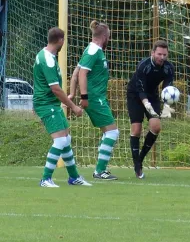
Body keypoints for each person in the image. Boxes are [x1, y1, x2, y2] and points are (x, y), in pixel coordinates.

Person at [33, 27, 91, 187]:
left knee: (66, 139)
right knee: (59, 141)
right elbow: (55, 89)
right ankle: (45, 179)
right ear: (60, 41)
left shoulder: (45, 55)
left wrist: (67, 98)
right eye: (63, 40)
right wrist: (73, 106)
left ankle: (74, 177)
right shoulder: (48, 60)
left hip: (50, 103)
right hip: (46, 104)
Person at [70, 20, 119, 180]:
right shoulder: (93, 51)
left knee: (109, 132)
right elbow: (82, 73)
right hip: (94, 98)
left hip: (96, 97)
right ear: (105, 36)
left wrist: (71, 94)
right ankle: (99, 170)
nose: (109, 39)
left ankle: (101, 168)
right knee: (112, 132)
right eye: (109, 36)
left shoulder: (92, 50)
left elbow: (76, 73)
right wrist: (83, 97)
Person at [126, 40, 175, 179]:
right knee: (136, 129)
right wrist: (146, 104)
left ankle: (139, 161)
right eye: (159, 54)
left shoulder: (169, 68)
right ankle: (137, 167)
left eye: (165, 54)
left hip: (152, 96)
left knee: (156, 127)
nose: (162, 57)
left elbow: (167, 90)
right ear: (153, 53)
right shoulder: (143, 65)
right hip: (135, 94)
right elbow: (140, 89)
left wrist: (166, 107)